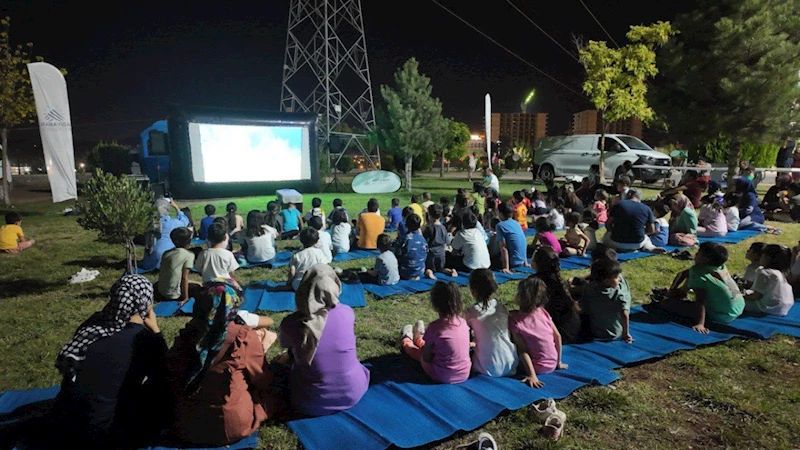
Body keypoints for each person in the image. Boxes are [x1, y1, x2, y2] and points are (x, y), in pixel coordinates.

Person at [48, 275, 167, 449]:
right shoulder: (145, 339)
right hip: (104, 434)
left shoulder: (92, 325)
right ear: (146, 303)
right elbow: (166, 373)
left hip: (63, 421)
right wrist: (156, 331)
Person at [166, 278, 278, 446]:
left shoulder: (188, 332)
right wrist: (262, 349)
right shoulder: (242, 336)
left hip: (185, 423)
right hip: (227, 426)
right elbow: (262, 379)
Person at [279, 265, 370, 416]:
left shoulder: (290, 323)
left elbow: (288, 348)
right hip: (355, 391)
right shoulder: (347, 312)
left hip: (313, 401)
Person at [658, 242, 745, 334]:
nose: (695, 254)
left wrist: (700, 323)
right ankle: (680, 294)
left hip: (723, 315)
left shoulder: (699, 275)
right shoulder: (720, 267)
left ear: (705, 259)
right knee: (691, 282)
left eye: (698, 252)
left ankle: (678, 297)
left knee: (666, 303)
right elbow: (683, 274)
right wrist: (672, 290)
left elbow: (700, 301)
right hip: (739, 307)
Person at [398, 281, 471, 384]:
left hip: (441, 375)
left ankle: (406, 341)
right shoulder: (463, 323)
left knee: (419, 354)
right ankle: (419, 339)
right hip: (464, 373)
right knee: (434, 345)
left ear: (435, 306)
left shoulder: (435, 327)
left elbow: (426, 357)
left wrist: (423, 352)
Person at [509, 277, 568, 388]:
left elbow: (522, 350)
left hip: (537, 368)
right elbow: (558, 336)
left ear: (520, 297)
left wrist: (532, 375)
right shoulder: (543, 312)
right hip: (553, 362)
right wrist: (558, 362)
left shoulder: (515, 321)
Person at [464, 269, 519, 377]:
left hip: (488, 367)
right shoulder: (500, 307)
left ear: (473, 291)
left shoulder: (470, 312)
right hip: (511, 363)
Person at [530, 246, 581, 344]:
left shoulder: (534, 283)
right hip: (574, 329)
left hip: (558, 332)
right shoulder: (557, 279)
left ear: (536, 262)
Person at [579, 258, 634, 342]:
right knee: (623, 286)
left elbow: (583, 307)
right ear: (607, 281)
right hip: (614, 333)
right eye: (616, 277)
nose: (618, 279)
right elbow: (624, 314)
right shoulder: (619, 295)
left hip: (594, 331)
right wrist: (625, 333)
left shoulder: (589, 288)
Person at [603, 188, 665, 253]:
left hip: (616, 241)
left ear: (629, 194)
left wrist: (612, 231)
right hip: (637, 243)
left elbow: (608, 223)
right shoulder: (647, 208)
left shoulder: (618, 204)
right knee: (646, 238)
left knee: (606, 236)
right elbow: (651, 230)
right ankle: (650, 248)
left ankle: (615, 248)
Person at [140, 198, 190, 271]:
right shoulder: (173, 223)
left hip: (151, 260)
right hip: (168, 258)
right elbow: (185, 221)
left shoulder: (148, 223)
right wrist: (176, 208)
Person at [744, 244, 794, 316]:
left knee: (735, 302)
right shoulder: (780, 272)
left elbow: (756, 296)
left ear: (768, 258)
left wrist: (741, 296)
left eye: (762, 255)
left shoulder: (764, 272)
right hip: (785, 307)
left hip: (770, 307)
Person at [157, 227, 202, 303]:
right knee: (200, 289)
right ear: (189, 241)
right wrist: (185, 298)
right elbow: (184, 278)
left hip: (161, 291)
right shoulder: (189, 255)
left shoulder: (166, 253)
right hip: (174, 295)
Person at [194, 223, 240, 287]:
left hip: (208, 286)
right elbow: (232, 273)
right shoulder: (228, 254)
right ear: (224, 238)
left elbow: (198, 268)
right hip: (225, 285)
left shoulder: (203, 253)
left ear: (208, 238)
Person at [495, 202, 528, 273]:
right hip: (521, 260)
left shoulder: (500, 226)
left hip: (512, 262)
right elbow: (523, 241)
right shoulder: (516, 223)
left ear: (500, 213)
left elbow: (503, 248)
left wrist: (505, 267)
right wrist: (525, 262)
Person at [397, 214, 428, 281]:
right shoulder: (423, 239)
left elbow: (397, 254)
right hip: (420, 271)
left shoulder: (404, 239)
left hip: (405, 272)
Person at [423, 204, 447, 279]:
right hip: (441, 255)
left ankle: (429, 272)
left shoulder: (429, 228)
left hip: (431, 255)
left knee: (428, 269)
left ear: (429, 215)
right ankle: (449, 271)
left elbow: (424, 242)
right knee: (441, 269)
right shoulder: (443, 228)